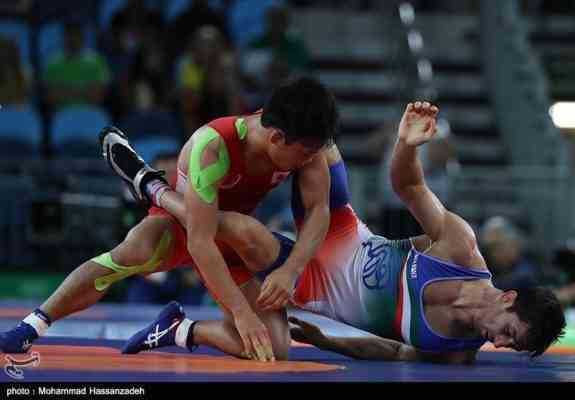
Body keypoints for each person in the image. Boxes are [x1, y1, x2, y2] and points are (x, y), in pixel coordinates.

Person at [120, 102, 565, 364]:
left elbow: (394, 354)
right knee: (320, 133)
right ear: (508, 298)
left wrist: (327, 340)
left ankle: (180, 323)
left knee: (246, 254)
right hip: (340, 230)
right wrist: (406, 145)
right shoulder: (460, 249)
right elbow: (409, 186)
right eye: (508, 332)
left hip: (311, 287)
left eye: (510, 346)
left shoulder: (457, 349)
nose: (498, 343)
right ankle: (192, 161)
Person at [0, 77, 338, 362]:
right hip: (185, 228)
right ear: (277, 136)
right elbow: (199, 241)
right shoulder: (213, 147)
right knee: (132, 253)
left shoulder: (305, 142)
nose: (311, 160)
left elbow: (318, 210)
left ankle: (179, 326)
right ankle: (33, 324)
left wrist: (290, 270)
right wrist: (241, 313)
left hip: (228, 236)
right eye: (306, 153)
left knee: (275, 350)